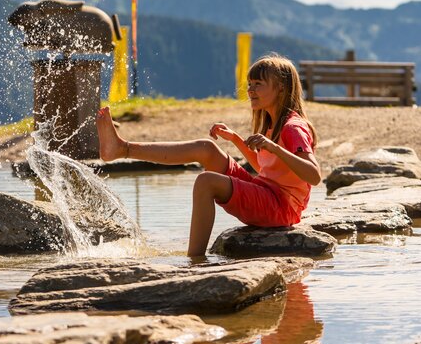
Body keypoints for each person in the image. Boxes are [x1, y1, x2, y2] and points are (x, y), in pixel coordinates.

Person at [96, 54, 321, 256]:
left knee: (206, 182)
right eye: (250, 84)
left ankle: (195, 260)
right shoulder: (273, 124)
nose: (250, 90)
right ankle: (123, 148)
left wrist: (274, 147)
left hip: (281, 208)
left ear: (281, 88)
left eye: (258, 84)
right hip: (267, 194)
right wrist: (235, 139)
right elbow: (267, 168)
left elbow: (314, 175)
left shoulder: (293, 127)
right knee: (206, 148)